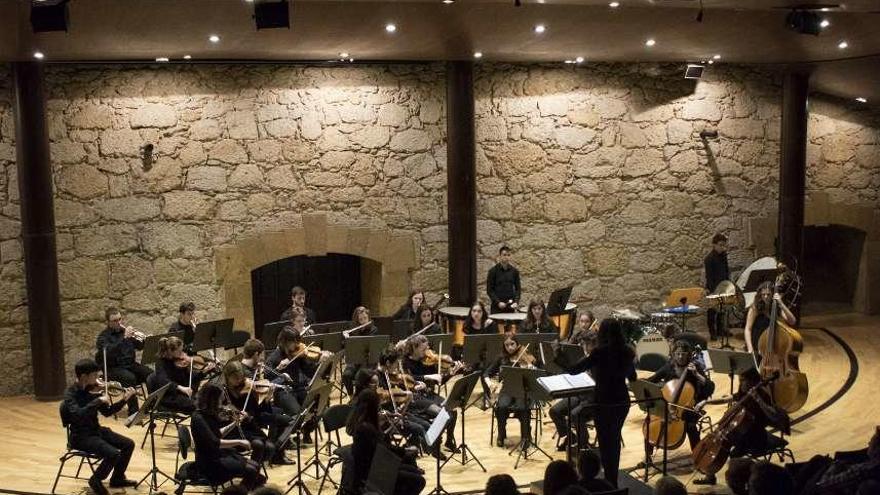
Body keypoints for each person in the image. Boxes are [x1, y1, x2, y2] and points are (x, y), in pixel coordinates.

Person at [556, 319, 637, 488]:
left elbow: (573, 370)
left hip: (603, 402)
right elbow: (633, 377)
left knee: (606, 443)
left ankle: (608, 482)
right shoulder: (627, 351)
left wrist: (559, 358)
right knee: (613, 441)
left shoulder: (599, 352)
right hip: (621, 402)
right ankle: (612, 482)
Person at [62, 358, 138, 495]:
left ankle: (117, 478)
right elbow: (78, 415)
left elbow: (107, 412)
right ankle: (95, 480)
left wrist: (124, 399)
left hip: (95, 430)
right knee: (113, 454)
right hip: (81, 436)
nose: (99, 379)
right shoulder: (70, 394)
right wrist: (97, 400)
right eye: (95, 376)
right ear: (84, 377)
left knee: (128, 444)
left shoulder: (92, 390)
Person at [646, 340, 716, 484]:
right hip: (669, 405)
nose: (680, 357)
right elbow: (651, 380)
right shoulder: (669, 367)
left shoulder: (694, 367)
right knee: (651, 422)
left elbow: (710, 387)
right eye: (677, 354)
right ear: (673, 354)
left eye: (683, 354)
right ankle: (648, 457)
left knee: (690, 427)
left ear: (689, 355)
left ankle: (699, 460)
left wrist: (696, 374)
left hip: (690, 407)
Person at [347, 389, 426, 495]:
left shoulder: (363, 421)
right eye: (378, 406)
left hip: (376, 463)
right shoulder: (366, 428)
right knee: (418, 480)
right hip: (372, 472)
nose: (379, 409)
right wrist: (404, 451)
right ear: (372, 407)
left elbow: (381, 445)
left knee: (413, 470)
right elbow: (383, 449)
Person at [190, 383, 267, 490]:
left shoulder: (208, 414)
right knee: (252, 470)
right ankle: (241, 491)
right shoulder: (198, 418)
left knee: (255, 468)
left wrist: (235, 423)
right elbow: (215, 442)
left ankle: (242, 488)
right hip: (210, 462)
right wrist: (239, 442)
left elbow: (217, 433)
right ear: (212, 400)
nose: (221, 404)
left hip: (219, 454)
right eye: (220, 400)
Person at [237, 339, 295, 465]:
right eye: (261, 355)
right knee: (287, 421)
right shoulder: (245, 373)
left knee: (280, 412)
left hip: (258, 409)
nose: (262, 359)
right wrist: (269, 394)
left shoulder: (249, 369)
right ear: (256, 354)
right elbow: (257, 403)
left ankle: (273, 450)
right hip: (250, 414)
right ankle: (273, 451)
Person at [401, 334, 459, 452]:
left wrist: (451, 373)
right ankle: (433, 444)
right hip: (416, 398)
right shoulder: (405, 362)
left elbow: (439, 382)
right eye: (423, 349)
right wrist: (426, 377)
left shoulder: (428, 361)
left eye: (427, 348)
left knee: (452, 410)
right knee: (440, 414)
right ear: (414, 348)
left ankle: (449, 440)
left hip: (429, 395)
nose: (427, 351)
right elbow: (409, 378)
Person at [483, 334, 541, 448]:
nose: (510, 347)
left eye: (512, 344)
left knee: (522, 407)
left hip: (523, 389)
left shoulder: (525, 354)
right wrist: (490, 384)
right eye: (507, 345)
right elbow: (486, 373)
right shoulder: (501, 358)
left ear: (517, 343)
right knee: (501, 406)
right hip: (507, 389)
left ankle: (526, 436)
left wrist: (531, 368)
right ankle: (501, 434)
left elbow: (537, 370)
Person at [95, 307, 151, 416]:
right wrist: (124, 338)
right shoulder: (103, 337)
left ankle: (151, 406)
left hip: (130, 365)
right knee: (130, 378)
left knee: (151, 374)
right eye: (115, 321)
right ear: (108, 322)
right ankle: (133, 413)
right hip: (113, 368)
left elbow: (139, 346)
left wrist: (146, 340)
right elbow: (108, 353)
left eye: (120, 319)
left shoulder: (125, 332)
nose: (119, 322)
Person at [729, 368, 791, 459]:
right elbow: (726, 399)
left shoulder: (762, 395)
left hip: (758, 438)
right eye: (739, 381)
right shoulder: (742, 395)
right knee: (733, 438)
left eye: (743, 380)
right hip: (746, 435)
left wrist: (758, 400)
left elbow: (773, 417)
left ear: (751, 382)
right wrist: (706, 402)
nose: (740, 383)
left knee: (736, 446)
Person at [149, 335, 215, 414]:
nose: (182, 353)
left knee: (205, 401)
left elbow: (190, 378)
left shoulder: (179, 361)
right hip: (169, 396)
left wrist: (203, 372)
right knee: (196, 406)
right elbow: (163, 382)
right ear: (170, 351)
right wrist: (181, 388)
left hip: (184, 393)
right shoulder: (160, 362)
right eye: (179, 351)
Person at [744, 281, 796, 357]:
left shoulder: (776, 306)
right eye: (763, 294)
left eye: (768, 294)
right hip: (756, 343)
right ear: (760, 295)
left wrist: (781, 304)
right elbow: (748, 329)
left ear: (772, 295)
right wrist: (750, 349)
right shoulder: (755, 307)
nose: (765, 297)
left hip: (772, 343)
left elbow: (792, 321)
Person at [704, 233, 730, 341]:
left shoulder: (723, 256)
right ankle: (712, 332)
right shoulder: (709, 259)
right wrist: (712, 291)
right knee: (712, 311)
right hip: (714, 287)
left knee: (722, 310)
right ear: (714, 245)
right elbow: (709, 276)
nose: (722, 248)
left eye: (724, 245)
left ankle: (720, 330)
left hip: (723, 285)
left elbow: (726, 270)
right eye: (720, 245)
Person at [487, 246, 521, 314]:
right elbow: (489, 290)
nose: (506, 257)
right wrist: (498, 302)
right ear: (500, 256)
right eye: (504, 255)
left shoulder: (514, 271)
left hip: (510, 306)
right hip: (496, 307)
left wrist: (516, 302)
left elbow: (518, 289)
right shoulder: (492, 271)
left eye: (508, 255)